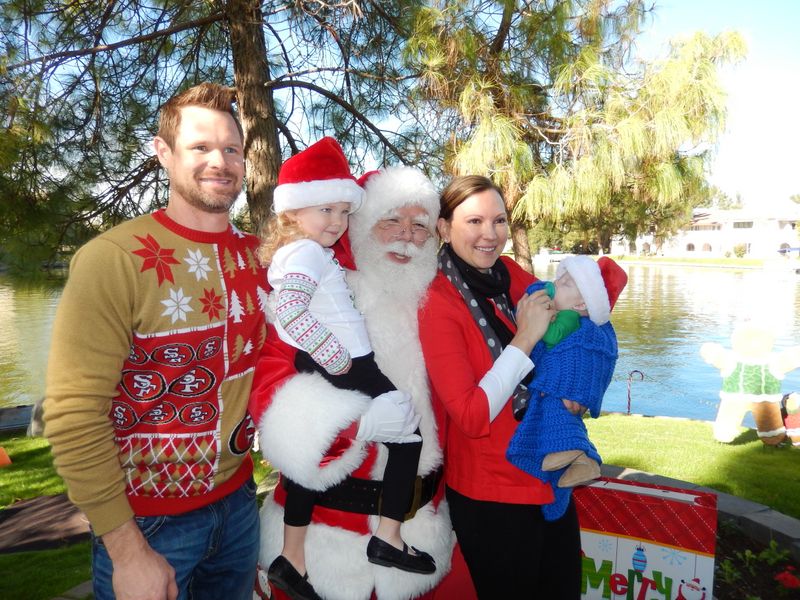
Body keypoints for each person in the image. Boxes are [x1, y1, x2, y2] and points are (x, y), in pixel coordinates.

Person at [44, 83, 265, 600]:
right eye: (201, 147)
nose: (221, 161)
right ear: (162, 152)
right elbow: (74, 412)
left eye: (232, 149)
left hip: (239, 507)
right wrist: (126, 550)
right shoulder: (115, 258)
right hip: (149, 528)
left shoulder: (261, 257)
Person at [250, 165, 477, 600]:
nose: (406, 236)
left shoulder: (445, 301)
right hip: (324, 534)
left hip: (424, 531)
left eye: (420, 226)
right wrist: (354, 425)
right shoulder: (322, 287)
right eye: (390, 220)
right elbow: (269, 385)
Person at [418, 174, 582, 598]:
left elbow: (576, 323)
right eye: (473, 222)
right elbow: (471, 416)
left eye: (499, 221)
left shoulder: (509, 273)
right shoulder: (437, 302)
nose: (489, 235)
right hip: (491, 492)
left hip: (548, 475)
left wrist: (578, 389)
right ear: (443, 227)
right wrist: (524, 338)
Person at [506, 255, 628, 521]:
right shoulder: (567, 311)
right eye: (560, 278)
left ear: (582, 303)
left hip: (556, 384)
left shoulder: (571, 320)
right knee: (559, 416)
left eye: (566, 283)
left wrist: (535, 318)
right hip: (554, 387)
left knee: (556, 410)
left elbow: (548, 337)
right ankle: (578, 457)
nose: (555, 282)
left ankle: (574, 454)